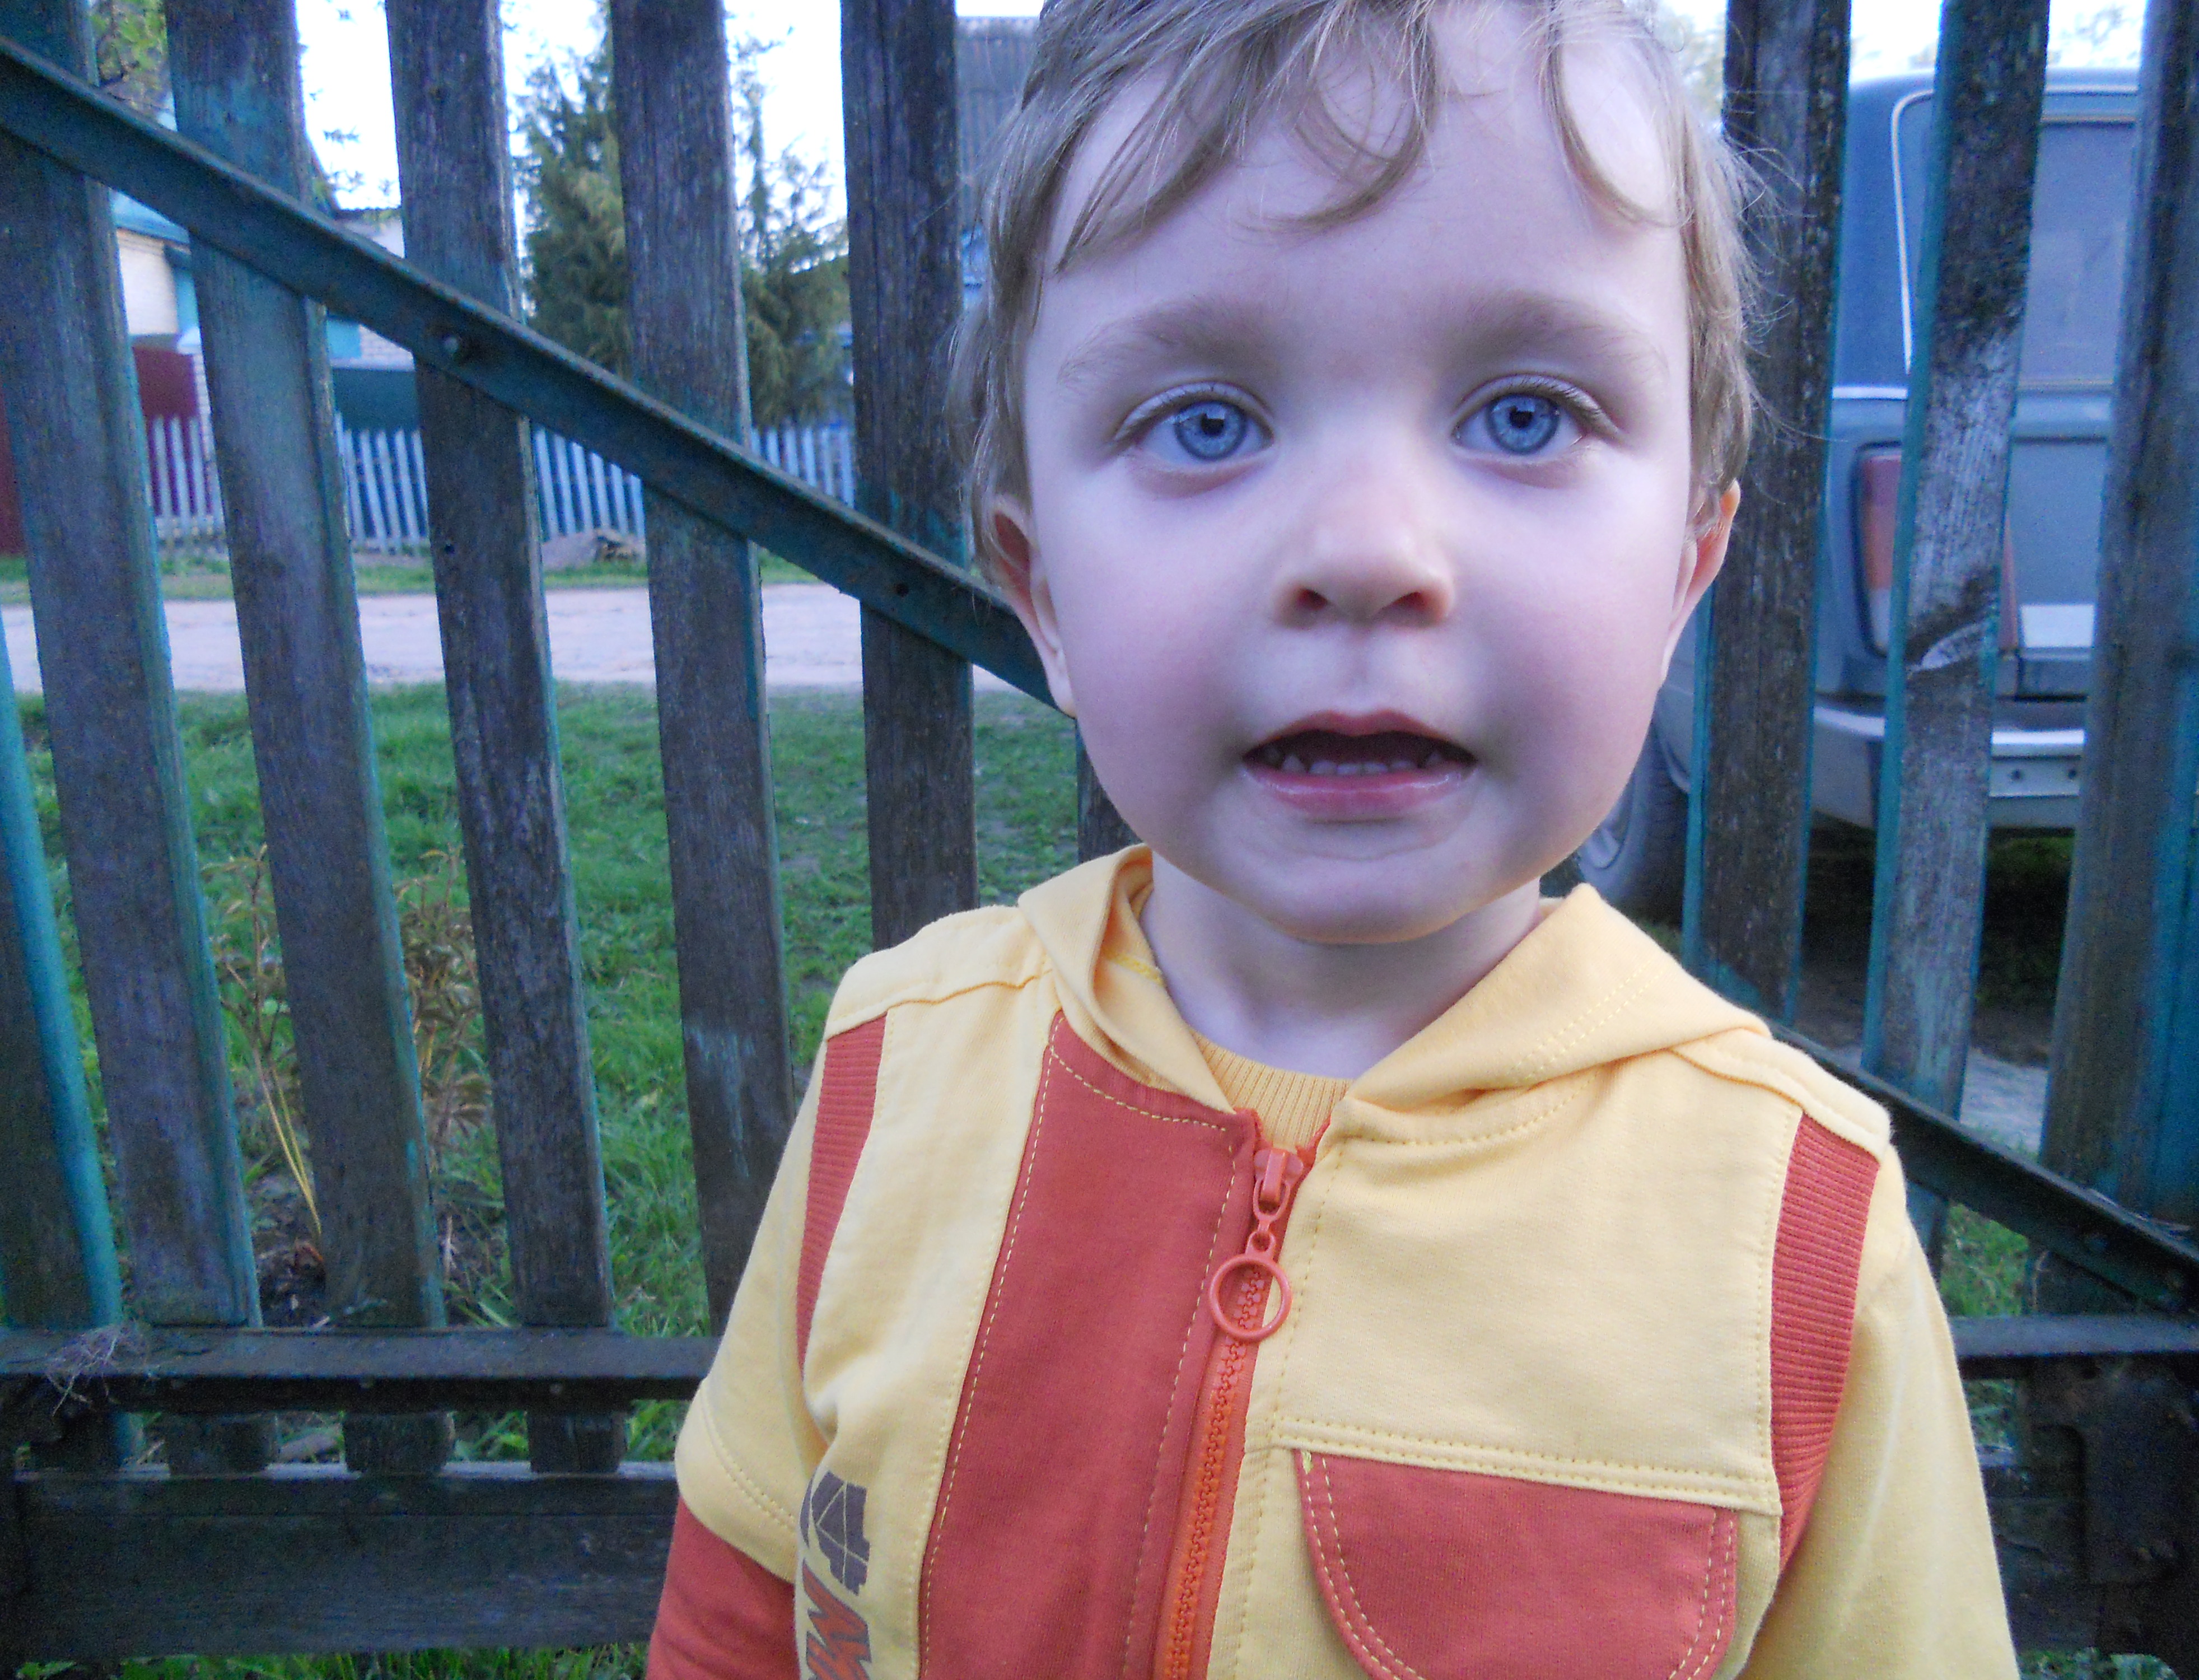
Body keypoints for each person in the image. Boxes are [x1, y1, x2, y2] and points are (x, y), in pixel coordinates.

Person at [647, 0, 2016, 1673]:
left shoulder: (1796, 1227)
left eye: (1526, 415)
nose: (1369, 552)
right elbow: (738, 1610)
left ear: (1685, 570)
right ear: (1042, 591)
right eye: (1204, 423)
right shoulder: (895, 1069)